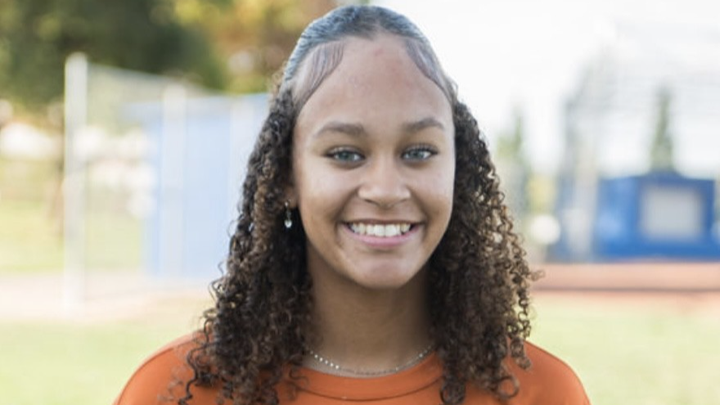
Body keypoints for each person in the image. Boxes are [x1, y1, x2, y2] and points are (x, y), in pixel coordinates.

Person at [114, 5, 590, 405]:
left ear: (457, 170)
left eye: (418, 152)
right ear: (286, 176)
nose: (386, 189)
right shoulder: (175, 392)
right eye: (345, 154)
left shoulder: (542, 393)